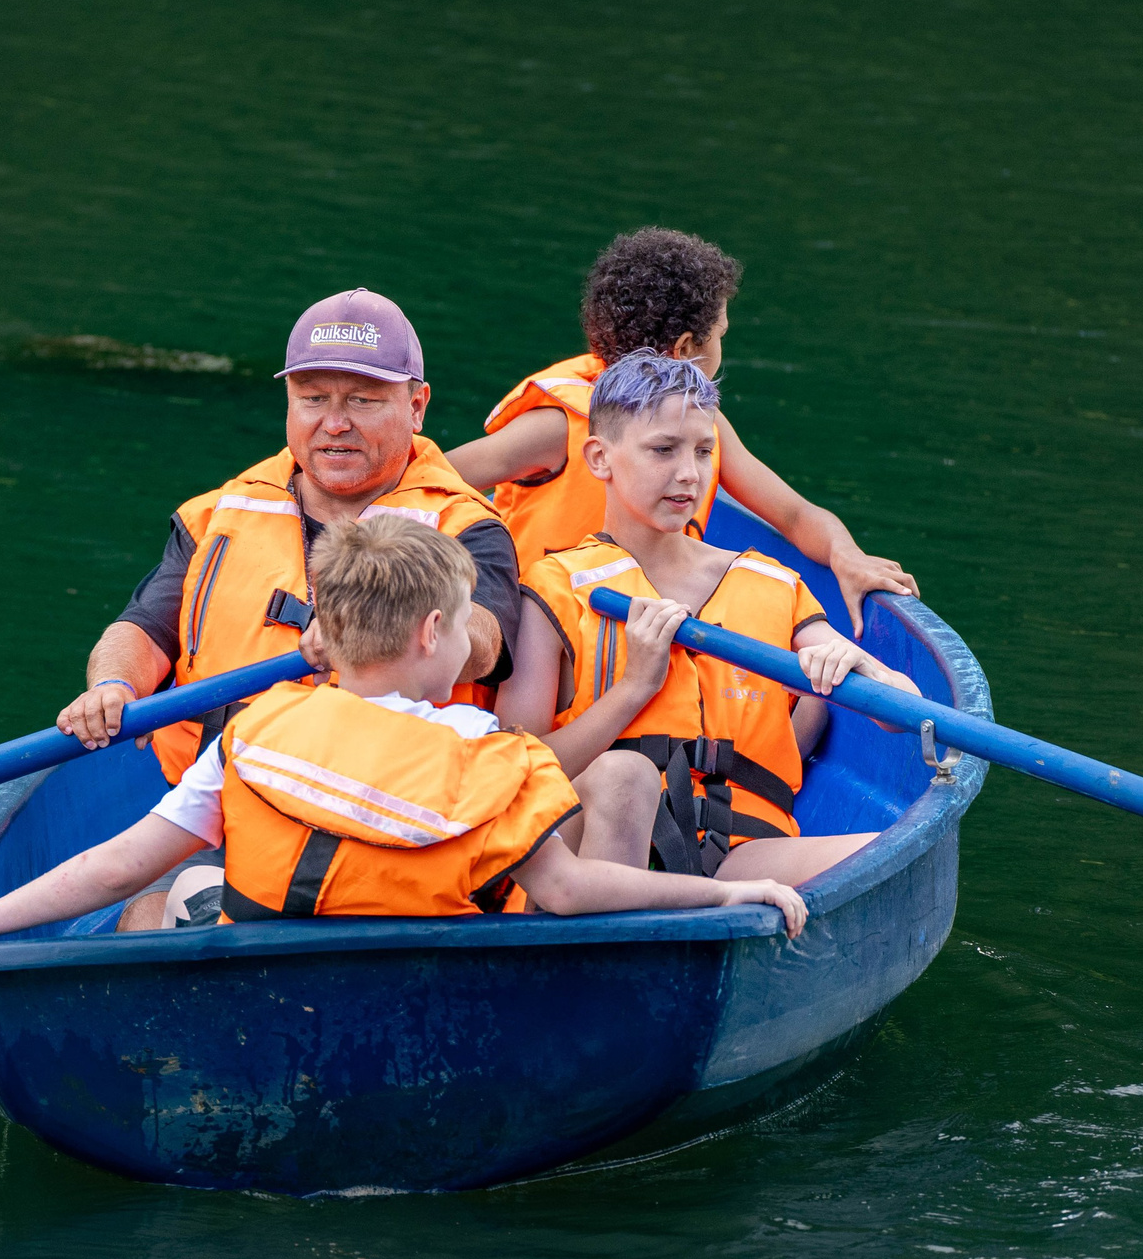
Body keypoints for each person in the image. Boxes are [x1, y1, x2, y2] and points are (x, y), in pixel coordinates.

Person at [0, 518, 806, 976]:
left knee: (189, 886)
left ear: (325, 635)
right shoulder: (490, 750)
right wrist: (726, 886)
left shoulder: (254, 731)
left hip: (275, 973)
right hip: (432, 989)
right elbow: (573, 890)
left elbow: (118, 863)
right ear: (434, 633)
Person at [53, 288, 523, 928]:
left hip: (397, 816)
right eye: (314, 399)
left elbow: (485, 641)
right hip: (228, 806)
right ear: (289, 404)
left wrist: (380, 629)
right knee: (141, 915)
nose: (335, 422)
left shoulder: (467, 526)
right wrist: (110, 684)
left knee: (184, 910)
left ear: (416, 406)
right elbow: (141, 627)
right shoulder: (217, 515)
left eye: (362, 400)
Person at [500, 353, 921, 888]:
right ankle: (607, 953)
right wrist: (634, 689)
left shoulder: (772, 583)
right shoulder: (553, 587)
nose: (688, 474)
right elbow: (515, 772)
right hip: (599, 850)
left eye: (703, 452)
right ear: (600, 458)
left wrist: (864, 667)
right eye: (662, 450)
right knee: (621, 777)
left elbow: (901, 715)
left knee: (891, 855)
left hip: (741, 854)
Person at [444, 227, 918, 635]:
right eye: (721, 337)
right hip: (548, 631)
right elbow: (431, 482)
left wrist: (845, 554)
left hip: (646, 623)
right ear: (686, 347)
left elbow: (794, 516)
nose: (689, 467)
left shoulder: (706, 425)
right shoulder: (557, 424)